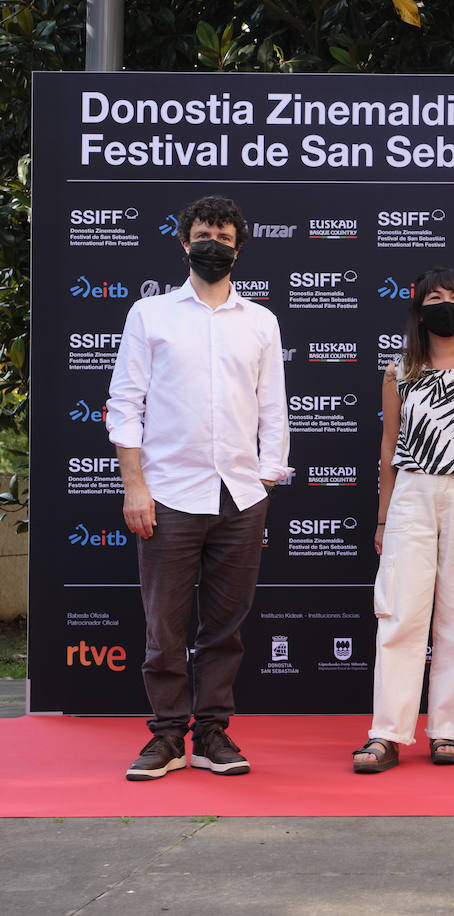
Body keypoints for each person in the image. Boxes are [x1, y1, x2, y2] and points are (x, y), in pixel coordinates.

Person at [107, 195, 290, 780]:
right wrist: (135, 486)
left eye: (225, 236)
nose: (214, 244)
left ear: (239, 247)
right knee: (163, 625)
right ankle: (166, 736)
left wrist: (266, 477)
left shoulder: (260, 321)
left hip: (241, 496)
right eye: (204, 235)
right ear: (185, 243)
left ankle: (211, 733)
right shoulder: (150, 315)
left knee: (225, 628)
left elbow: (273, 406)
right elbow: (125, 404)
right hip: (168, 494)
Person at [352, 267, 454, 773]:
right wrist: (383, 518)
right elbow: (388, 447)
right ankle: (387, 733)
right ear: (419, 310)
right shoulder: (398, 371)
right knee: (400, 613)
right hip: (412, 493)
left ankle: (448, 730)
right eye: (435, 297)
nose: (446, 305)